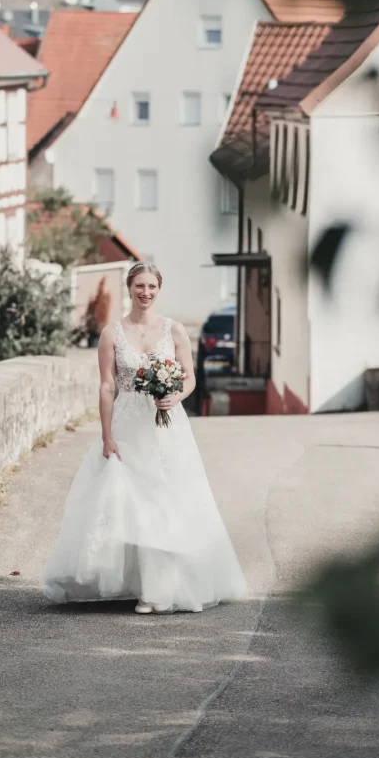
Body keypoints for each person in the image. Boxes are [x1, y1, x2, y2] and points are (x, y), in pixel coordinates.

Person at [42, 262, 246, 614]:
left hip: (167, 427)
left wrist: (176, 396)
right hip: (127, 425)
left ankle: (159, 588)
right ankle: (133, 583)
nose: (145, 292)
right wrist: (106, 436)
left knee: (165, 500)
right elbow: (107, 387)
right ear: (130, 288)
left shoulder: (175, 330)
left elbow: (190, 380)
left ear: (158, 289)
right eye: (139, 286)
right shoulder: (112, 334)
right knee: (126, 501)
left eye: (151, 286)